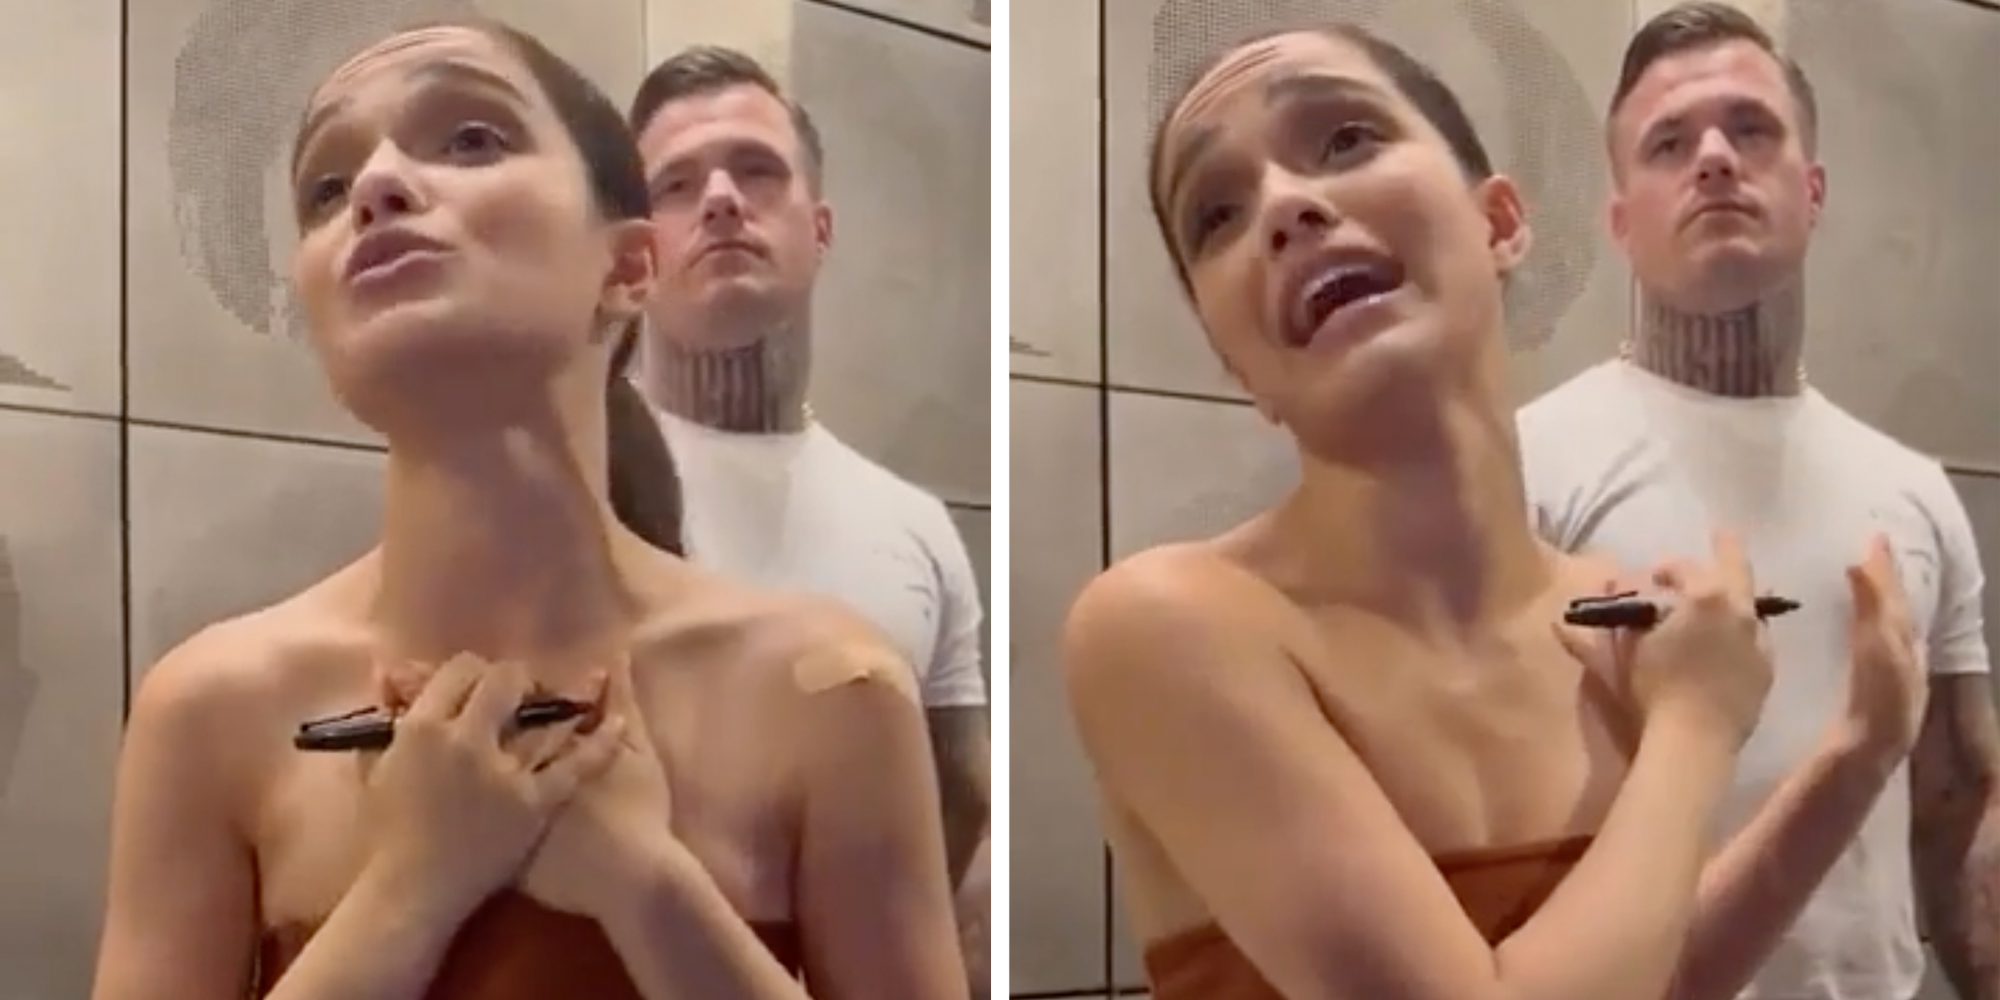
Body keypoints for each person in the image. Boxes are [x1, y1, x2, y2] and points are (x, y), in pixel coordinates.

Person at [89, 19, 965, 1000]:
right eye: (326, 190)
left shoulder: (829, 692)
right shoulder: (210, 713)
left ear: (627, 268)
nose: (376, 183)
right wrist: (411, 887)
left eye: (472, 138)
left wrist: (646, 883)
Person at [1060, 22, 1926, 1000]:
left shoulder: (1609, 625)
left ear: (1501, 223)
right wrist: (1693, 723)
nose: (1285, 205)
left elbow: (1649, 978)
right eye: (1216, 213)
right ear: (1237, 363)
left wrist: (1858, 752)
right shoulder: (1168, 625)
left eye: (1344, 139)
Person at [1517, 6, 2000, 999]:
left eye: (1750, 129)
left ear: (1810, 190)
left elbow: (1957, 808)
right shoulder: (1525, 466)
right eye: (1668, 143)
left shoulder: (1914, 492)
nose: (1713, 158)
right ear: (1620, 221)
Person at [622, 42, 992, 974]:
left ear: (819, 228)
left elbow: (961, 833)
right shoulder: (561, 496)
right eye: (675, 185)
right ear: (633, 252)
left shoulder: (916, 529)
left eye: (757, 170)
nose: (720, 198)